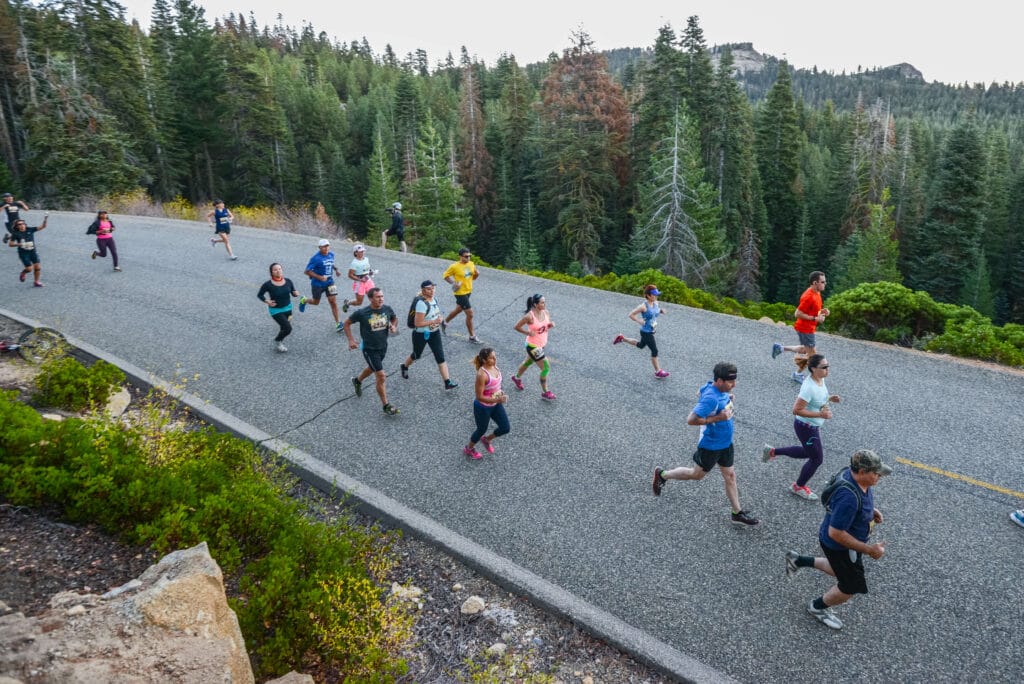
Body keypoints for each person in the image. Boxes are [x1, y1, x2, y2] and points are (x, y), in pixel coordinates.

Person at [785, 449, 891, 630]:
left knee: (839, 569)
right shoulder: (848, 498)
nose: (879, 475)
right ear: (862, 472)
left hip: (832, 539)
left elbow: (849, 507)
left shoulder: (850, 475)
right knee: (850, 586)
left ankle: (797, 560)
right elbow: (836, 533)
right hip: (840, 546)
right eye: (876, 472)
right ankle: (817, 607)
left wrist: (869, 512)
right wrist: (869, 550)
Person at [651, 362, 759, 527]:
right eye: (730, 382)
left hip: (726, 443)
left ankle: (737, 513)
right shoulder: (711, 398)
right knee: (696, 475)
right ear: (720, 381)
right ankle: (663, 474)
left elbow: (699, 391)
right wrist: (717, 418)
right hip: (711, 445)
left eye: (735, 381)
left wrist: (726, 397)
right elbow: (691, 420)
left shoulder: (713, 388)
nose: (734, 385)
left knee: (730, 476)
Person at [761, 354, 840, 500]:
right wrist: (820, 415)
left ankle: (772, 451)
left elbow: (817, 399)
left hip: (811, 427)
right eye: (824, 367)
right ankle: (798, 486)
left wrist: (830, 398)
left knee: (807, 452)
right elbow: (796, 410)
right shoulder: (809, 388)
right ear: (813, 369)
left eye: (828, 366)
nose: (827, 369)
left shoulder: (820, 379)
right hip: (806, 427)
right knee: (817, 459)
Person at [344, 287, 400, 415]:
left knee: (372, 367)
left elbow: (393, 318)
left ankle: (357, 380)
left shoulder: (387, 309)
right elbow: (346, 323)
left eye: (382, 296)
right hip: (369, 349)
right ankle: (386, 405)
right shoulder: (362, 313)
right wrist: (351, 340)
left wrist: (393, 326)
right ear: (370, 298)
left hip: (383, 346)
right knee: (380, 375)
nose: (381, 299)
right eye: (377, 297)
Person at [772, 271, 829, 383]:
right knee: (812, 355)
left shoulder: (817, 292)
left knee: (804, 350)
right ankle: (798, 374)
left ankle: (780, 348)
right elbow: (797, 313)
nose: (825, 284)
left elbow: (812, 310)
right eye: (822, 282)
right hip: (805, 329)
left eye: (825, 281)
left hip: (808, 328)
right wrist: (815, 319)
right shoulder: (808, 296)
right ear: (815, 282)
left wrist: (822, 312)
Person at [400, 280, 458, 390]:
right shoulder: (421, 304)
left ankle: (447, 382)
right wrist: (434, 321)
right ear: (423, 290)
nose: (431, 291)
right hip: (420, 334)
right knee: (416, 355)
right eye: (428, 289)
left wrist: (441, 320)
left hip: (434, 333)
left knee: (440, 357)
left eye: (433, 288)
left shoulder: (435, 299)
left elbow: (435, 313)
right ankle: (404, 366)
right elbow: (418, 323)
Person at [613, 284, 669, 379]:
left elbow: (655, 311)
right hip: (646, 332)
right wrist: (639, 321)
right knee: (654, 350)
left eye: (656, 294)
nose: (656, 296)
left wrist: (661, 311)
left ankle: (622, 338)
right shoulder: (643, 306)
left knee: (640, 345)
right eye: (654, 295)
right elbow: (631, 314)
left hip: (651, 330)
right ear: (648, 295)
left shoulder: (656, 303)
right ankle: (658, 372)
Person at [464, 347, 510, 459]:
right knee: (481, 429)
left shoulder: (494, 367)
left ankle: (487, 439)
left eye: (495, 356)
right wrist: (497, 400)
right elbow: (479, 397)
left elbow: (496, 385)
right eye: (491, 357)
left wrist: (500, 392)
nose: (495, 359)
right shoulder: (482, 375)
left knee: (505, 428)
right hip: (483, 407)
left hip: (495, 404)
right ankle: (469, 448)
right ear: (484, 360)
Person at [510, 293, 556, 401]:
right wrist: (527, 332)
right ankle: (545, 392)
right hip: (533, 346)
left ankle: (516, 378)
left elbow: (544, 327)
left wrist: (550, 325)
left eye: (545, 302)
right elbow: (516, 327)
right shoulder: (529, 316)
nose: (544, 304)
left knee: (528, 362)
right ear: (535, 304)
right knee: (546, 367)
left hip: (541, 344)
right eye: (542, 302)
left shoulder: (546, 313)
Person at [301, 238, 343, 332]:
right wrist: (319, 277)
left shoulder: (331, 254)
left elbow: (330, 263)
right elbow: (307, 271)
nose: (326, 248)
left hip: (330, 282)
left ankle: (338, 323)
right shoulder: (315, 258)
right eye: (324, 246)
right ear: (319, 247)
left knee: (333, 302)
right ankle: (304, 300)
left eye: (327, 245)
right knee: (316, 302)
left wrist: (336, 270)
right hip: (317, 284)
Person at [257, 263, 302, 352]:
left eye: (280, 269)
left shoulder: (288, 281)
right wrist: (267, 301)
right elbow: (260, 295)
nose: (278, 271)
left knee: (283, 327)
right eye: (275, 270)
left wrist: (295, 293)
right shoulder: (268, 284)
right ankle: (277, 340)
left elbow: (293, 292)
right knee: (288, 328)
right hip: (276, 310)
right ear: (271, 272)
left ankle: (280, 342)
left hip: (288, 308)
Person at [443, 247, 481, 343]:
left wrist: (477, 274)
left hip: (468, 291)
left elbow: (473, 278)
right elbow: (445, 276)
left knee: (458, 309)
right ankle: (472, 337)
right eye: (466, 256)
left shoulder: (471, 264)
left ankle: (444, 322)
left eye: (469, 256)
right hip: (460, 293)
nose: (468, 258)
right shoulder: (454, 266)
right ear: (460, 256)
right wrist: (453, 283)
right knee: (470, 314)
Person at [8, 216, 47, 287]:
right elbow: (10, 244)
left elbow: (43, 227)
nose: (22, 225)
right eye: (19, 224)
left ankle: (36, 282)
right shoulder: (16, 234)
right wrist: (19, 244)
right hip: (23, 253)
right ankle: (23, 273)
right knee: (29, 269)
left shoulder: (30, 229)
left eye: (23, 223)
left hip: (32, 251)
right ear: (17, 226)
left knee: (37, 267)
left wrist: (45, 219)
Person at [343, 244, 375, 313]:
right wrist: (360, 280)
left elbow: (367, 269)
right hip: (359, 283)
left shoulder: (366, 259)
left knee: (374, 297)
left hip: (368, 281)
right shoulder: (354, 263)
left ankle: (373, 313)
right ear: (356, 253)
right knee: (359, 302)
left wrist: (370, 271)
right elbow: (350, 275)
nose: (362, 253)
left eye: (363, 251)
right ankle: (348, 303)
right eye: (360, 251)